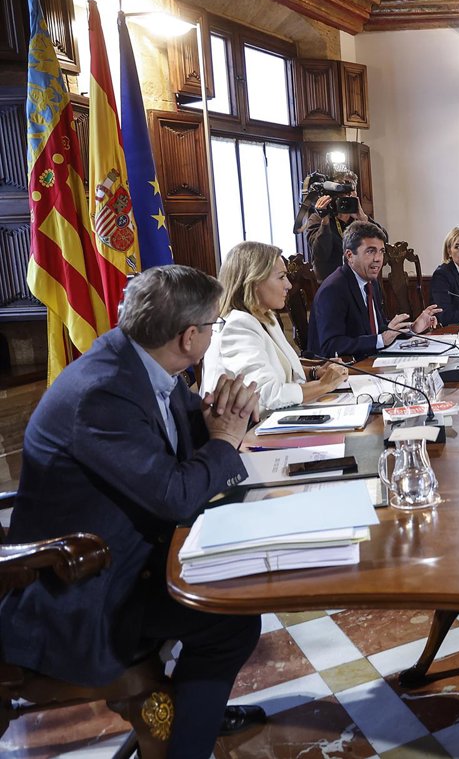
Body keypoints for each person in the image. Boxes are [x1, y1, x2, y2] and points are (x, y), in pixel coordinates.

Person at [0, 266, 266, 758]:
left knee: (236, 590)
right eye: (213, 324)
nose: (214, 332)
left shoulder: (140, 361)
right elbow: (176, 494)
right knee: (231, 620)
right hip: (82, 591)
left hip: (126, 554)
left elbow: (185, 442)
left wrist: (221, 421)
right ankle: (189, 740)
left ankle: (197, 706)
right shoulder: (102, 393)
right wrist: (224, 440)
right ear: (189, 337)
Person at [202, 241, 348, 413]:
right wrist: (324, 384)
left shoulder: (265, 316)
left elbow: (276, 367)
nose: (289, 285)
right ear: (254, 281)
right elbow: (267, 395)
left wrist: (314, 372)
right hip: (251, 427)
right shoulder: (237, 325)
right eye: (281, 277)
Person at [308, 220, 441, 362]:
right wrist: (380, 340)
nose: (378, 259)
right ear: (349, 255)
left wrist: (412, 328)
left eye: (381, 251)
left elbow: (377, 328)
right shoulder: (334, 289)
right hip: (342, 369)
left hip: (370, 361)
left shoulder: (371, 283)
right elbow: (330, 346)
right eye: (370, 251)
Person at [304, 170, 387, 282]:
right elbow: (321, 254)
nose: (346, 196)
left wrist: (364, 219)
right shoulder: (317, 218)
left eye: (350, 191)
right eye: (342, 192)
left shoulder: (360, 221)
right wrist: (325, 220)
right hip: (330, 283)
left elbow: (384, 241)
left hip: (358, 282)